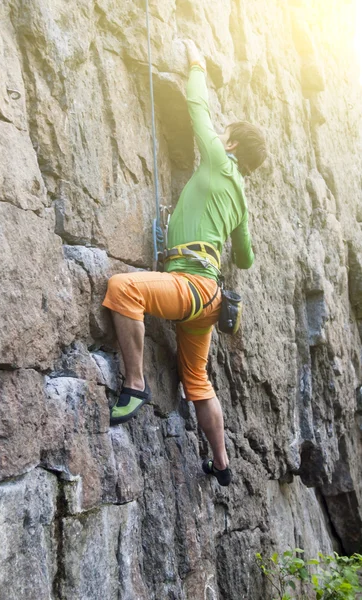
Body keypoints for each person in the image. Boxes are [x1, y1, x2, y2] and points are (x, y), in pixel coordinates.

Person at [102, 41, 267, 486]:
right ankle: (221, 463)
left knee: (123, 289)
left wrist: (197, 63)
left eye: (225, 135)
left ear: (231, 144)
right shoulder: (241, 200)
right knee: (197, 380)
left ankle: (135, 383)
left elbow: (198, 108)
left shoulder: (219, 161)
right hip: (210, 299)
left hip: (190, 287)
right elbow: (246, 259)